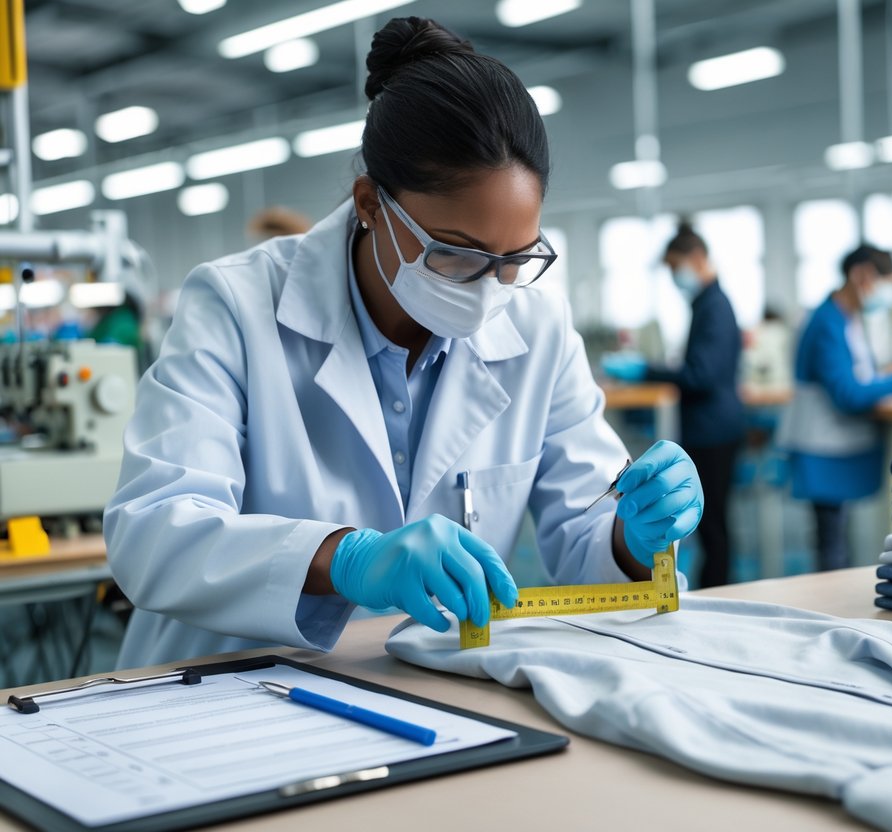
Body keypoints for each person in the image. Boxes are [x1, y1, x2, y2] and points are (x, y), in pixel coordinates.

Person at [104, 16, 704, 669]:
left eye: (514, 258)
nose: (489, 287)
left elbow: (583, 536)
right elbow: (155, 535)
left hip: (435, 688)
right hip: (233, 690)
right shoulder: (236, 306)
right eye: (456, 255)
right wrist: (345, 559)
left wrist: (631, 536)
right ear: (370, 204)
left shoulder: (538, 328)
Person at [778, 244, 892, 572]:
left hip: (834, 441)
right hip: (822, 443)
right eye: (886, 283)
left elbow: (862, 373)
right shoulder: (827, 322)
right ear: (861, 274)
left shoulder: (849, 318)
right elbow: (849, 393)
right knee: (831, 544)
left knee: (836, 539)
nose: (888, 294)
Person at [604, 222, 743, 587]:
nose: (672, 276)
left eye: (674, 266)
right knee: (712, 524)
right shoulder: (706, 303)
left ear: (696, 258)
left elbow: (701, 375)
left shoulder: (714, 305)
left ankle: (717, 595)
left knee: (713, 525)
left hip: (713, 429)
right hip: (712, 426)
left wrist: (646, 370)